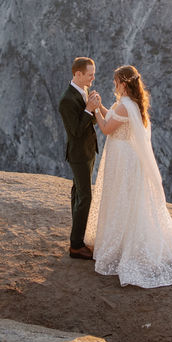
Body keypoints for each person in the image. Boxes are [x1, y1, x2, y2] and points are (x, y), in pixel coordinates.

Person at [84, 65, 172, 287]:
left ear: (123, 83)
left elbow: (107, 128)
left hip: (122, 158)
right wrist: (100, 105)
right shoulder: (132, 104)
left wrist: (93, 110)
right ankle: (122, 239)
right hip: (126, 156)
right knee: (127, 200)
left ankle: (121, 243)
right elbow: (112, 115)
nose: (114, 85)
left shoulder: (124, 106)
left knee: (121, 198)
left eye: (116, 81)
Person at [59, 56, 100, 260]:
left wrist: (92, 109)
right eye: (90, 74)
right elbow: (74, 130)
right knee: (85, 196)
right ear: (78, 74)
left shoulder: (82, 91)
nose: (93, 78)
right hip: (79, 154)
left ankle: (78, 237)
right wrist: (88, 110)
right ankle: (76, 245)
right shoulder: (67, 100)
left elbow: (87, 121)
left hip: (88, 151)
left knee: (78, 193)